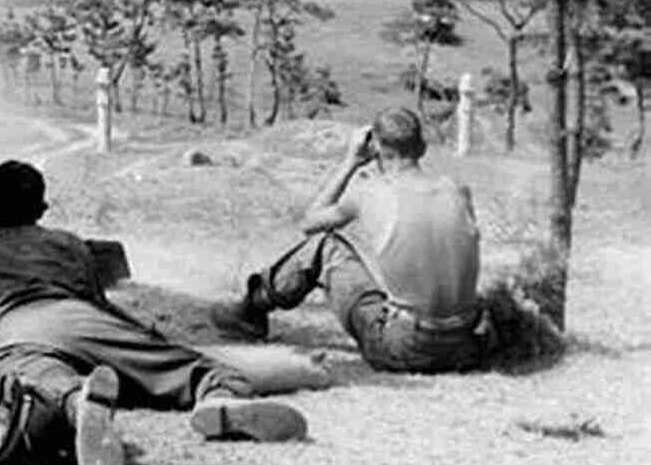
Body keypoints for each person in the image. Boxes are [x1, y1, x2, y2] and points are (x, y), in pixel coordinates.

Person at [0, 160, 309, 465]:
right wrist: (144, 336)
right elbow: (98, 302)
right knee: (190, 368)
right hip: (84, 319)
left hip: (17, 329)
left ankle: (78, 404)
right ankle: (218, 397)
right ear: (41, 207)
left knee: (37, 378)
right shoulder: (68, 245)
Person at [209, 108, 488, 373]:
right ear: (423, 148)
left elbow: (310, 223)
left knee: (325, 246)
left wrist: (351, 161)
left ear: (376, 148)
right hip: (466, 345)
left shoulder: (369, 191)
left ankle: (249, 313)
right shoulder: (457, 190)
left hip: (404, 347)